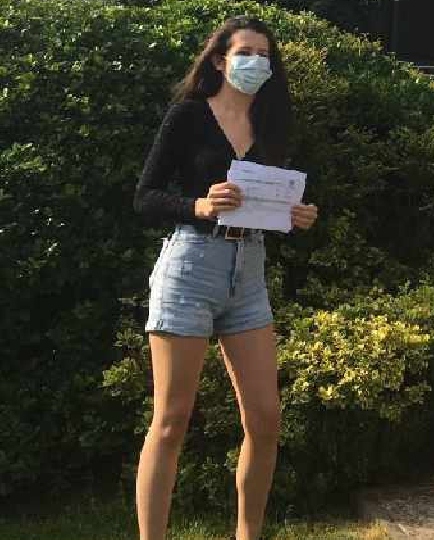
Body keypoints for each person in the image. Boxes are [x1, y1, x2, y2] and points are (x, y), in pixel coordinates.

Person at [132, 16, 318, 540]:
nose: (256, 61)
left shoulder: (272, 123)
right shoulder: (188, 115)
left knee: (265, 418)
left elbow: (270, 200)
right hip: (190, 266)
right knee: (171, 421)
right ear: (219, 59)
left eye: (265, 53)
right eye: (245, 51)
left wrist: (296, 215)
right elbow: (144, 196)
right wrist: (197, 203)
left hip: (248, 273)